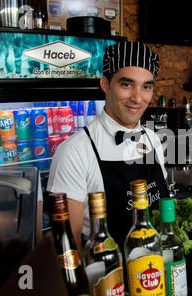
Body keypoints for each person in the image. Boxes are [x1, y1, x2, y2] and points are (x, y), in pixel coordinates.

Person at [47, 41, 168, 250]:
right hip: (109, 277)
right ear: (105, 84)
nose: (137, 98)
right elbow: (68, 245)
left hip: (156, 274)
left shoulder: (153, 139)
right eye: (126, 84)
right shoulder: (74, 151)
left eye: (146, 87)